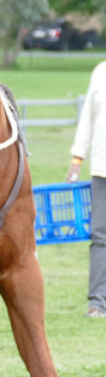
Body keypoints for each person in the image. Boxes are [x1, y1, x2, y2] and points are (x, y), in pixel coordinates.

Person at [66, 60, 106, 318]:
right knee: (101, 237)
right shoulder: (101, 72)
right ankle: (98, 302)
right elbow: (88, 120)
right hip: (102, 169)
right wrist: (76, 160)